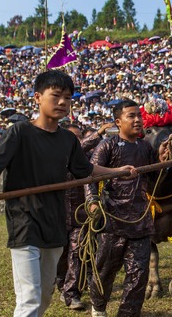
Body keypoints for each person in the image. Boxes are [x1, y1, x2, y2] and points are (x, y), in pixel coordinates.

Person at [0, 70, 138, 317]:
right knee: (29, 299)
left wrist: (116, 171)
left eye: (68, 98)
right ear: (37, 97)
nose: (62, 102)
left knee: (45, 294)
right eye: (55, 95)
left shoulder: (67, 140)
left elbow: (86, 170)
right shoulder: (19, 133)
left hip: (55, 222)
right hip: (25, 221)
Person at [84, 99, 172, 317]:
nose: (137, 120)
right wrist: (92, 200)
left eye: (138, 116)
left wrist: (162, 160)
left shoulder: (145, 147)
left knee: (138, 275)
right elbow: (90, 174)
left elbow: (155, 178)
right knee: (105, 270)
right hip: (113, 221)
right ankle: (99, 307)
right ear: (118, 121)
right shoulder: (107, 145)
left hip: (141, 221)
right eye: (130, 116)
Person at [55, 122, 114, 311]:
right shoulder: (56, 156)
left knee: (77, 251)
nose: (77, 141)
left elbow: (93, 181)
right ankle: (60, 283)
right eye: (73, 138)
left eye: (80, 137)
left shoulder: (86, 161)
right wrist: (97, 133)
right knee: (60, 253)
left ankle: (72, 294)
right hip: (56, 215)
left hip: (81, 215)